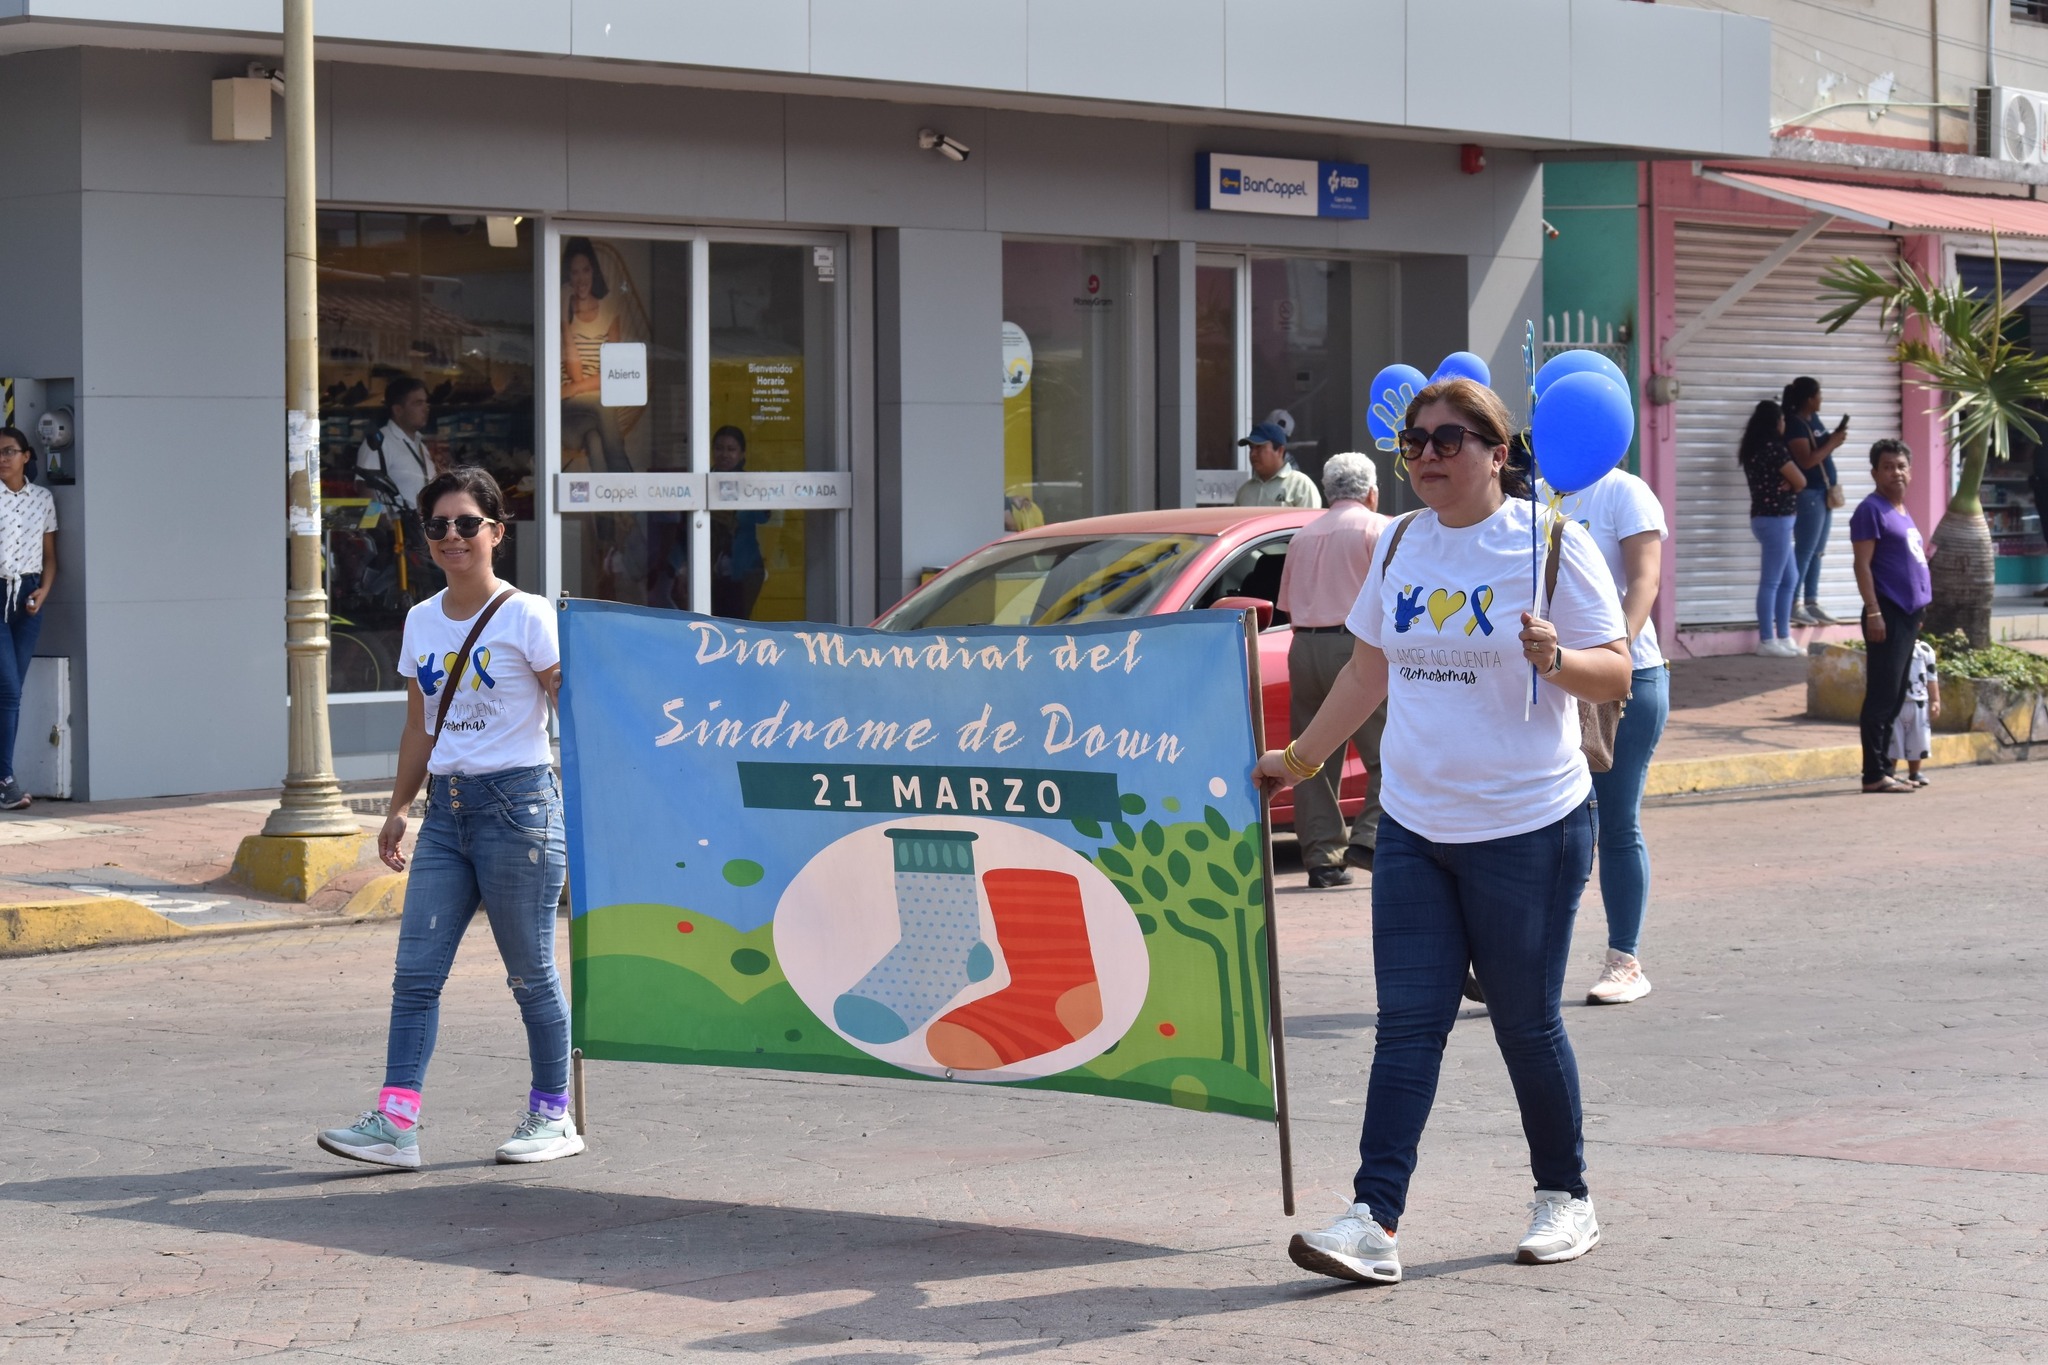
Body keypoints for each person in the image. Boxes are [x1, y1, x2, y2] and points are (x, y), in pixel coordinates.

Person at [1254, 377, 1630, 1285]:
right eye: (1414, 441)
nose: (1427, 454)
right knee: (1407, 1024)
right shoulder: (1399, 543)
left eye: (1449, 439)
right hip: (1416, 827)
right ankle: (1372, 1218)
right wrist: (1297, 761)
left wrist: (1557, 656)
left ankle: (1565, 1194)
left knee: (1526, 1024)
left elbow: (1615, 673)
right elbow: (1366, 673)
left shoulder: (1549, 542)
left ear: (1497, 453)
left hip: (1530, 825)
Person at [317, 466, 581, 1169]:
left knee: (530, 974)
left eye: (467, 523)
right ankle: (395, 1124)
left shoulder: (528, 615)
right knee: (415, 975)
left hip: (519, 810)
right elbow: (419, 726)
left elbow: (570, 706)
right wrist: (398, 809)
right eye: (438, 525)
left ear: (496, 531)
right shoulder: (421, 620)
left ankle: (553, 1113)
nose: (452, 537)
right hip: (447, 815)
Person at [1537, 463, 1668, 1005]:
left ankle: (1624, 961)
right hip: (1550, 675)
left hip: (1626, 680)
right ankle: (1513, 962)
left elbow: (1645, 581)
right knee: (1536, 827)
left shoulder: (1624, 492)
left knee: (1614, 823)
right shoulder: (1531, 496)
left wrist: (1612, 655)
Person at [1275, 452, 1390, 890]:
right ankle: (1369, 837)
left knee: (1309, 754)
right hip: (1356, 644)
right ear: (1371, 492)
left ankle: (1322, 857)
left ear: (1327, 490)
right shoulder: (1378, 529)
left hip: (1304, 645)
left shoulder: (1303, 535)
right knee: (1388, 749)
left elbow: (1287, 604)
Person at [1851, 438, 1934, 795]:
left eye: (1901, 466)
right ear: (1874, 473)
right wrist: (1874, 611)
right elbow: (1862, 565)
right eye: (1887, 467)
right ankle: (1873, 774)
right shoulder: (1870, 510)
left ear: (1910, 471)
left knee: (1896, 696)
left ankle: (1885, 769)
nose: (1895, 472)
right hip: (1886, 612)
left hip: (1908, 615)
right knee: (1882, 697)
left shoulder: (1899, 510)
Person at [0, 426, 57, 813]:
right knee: (8, 691)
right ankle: (6, 780)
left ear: (26, 456)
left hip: (29, 597)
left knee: (11, 693)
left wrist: (44, 590)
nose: (2, 458)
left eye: (9, 451)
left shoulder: (42, 499)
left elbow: (51, 556)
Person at [1738, 400, 1806, 657]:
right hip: (1777, 519)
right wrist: (1791, 482)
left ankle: (1784, 636)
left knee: (1790, 578)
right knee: (1772, 581)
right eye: (1782, 419)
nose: (1784, 423)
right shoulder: (1775, 449)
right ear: (1776, 422)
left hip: (1765, 519)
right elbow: (1801, 480)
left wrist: (1788, 481)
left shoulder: (1753, 449)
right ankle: (1767, 640)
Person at [561, 236, 631, 474]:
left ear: (594, 271)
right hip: (568, 414)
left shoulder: (609, 311)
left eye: (586, 270)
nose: (581, 279)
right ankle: (627, 484)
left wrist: (573, 388)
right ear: (568, 277)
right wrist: (564, 320)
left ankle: (607, 499)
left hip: (590, 414)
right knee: (603, 404)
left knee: (595, 440)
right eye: (574, 272)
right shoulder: (562, 312)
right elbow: (575, 373)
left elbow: (613, 372)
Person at [1783, 377, 1850, 626]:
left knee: (1818, 551)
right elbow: (1806, 461)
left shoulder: (1813, 419)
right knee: (1805, 550)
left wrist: (1832, 439)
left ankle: (1811, 601)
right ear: (1809, 399)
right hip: (1809, 494)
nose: (1821, 399)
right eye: (1819, 394)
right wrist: (1832, 443)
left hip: (1824, 492)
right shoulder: (1795, 424)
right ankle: (1793, 602)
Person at [709, 424, 770, 618]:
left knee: (737, 623)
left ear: (742, 454)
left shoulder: (750, 484)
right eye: (719, 448)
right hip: (708, 568)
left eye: (731, 449)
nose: (724, 454)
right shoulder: (704, 481)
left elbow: (764, 517)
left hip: (744, 568)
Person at [356, 376, 437, 513]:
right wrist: (384, 523)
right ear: (398, 410)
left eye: (426, 402)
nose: (426, 408)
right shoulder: (380, 442)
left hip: (422, 524)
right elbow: (365, 488)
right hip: (396, 525)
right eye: (418, 403)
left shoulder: (420, 444)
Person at [1234, 421, 1321, 509]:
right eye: (1251, 448)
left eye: (1259, 447)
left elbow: (1312, 518)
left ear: (1280, 451)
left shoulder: (1300, 486)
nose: (1253, 454)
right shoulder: (1244, 491)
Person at [1890, 636, 1940, 786]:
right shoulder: (1891, 646)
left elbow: (1932, 677)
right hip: (1895, 704)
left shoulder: (1925, 650)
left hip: (1919, 703)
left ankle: (1915, 772)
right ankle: (1889, 772)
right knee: (1893, 740)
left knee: (1918, 739)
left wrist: (1935, 700)